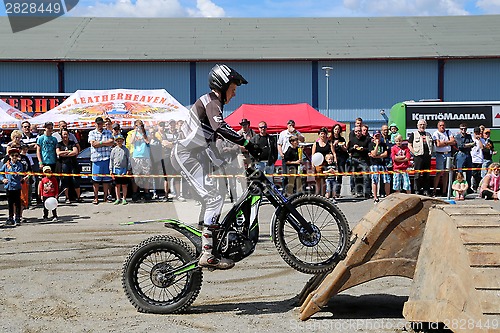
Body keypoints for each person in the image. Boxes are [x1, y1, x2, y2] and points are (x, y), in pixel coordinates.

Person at [171, 64, 260, 270]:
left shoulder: (213, 103)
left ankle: (207, 239)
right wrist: (247, 143)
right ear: (223, 84)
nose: (235, 93)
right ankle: (208, 254)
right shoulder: (212, 102)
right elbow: (221, 128)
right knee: (214, 197)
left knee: (216, 193)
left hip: (198, 154)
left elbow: (213, 142)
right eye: (233, 88)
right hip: (187, 155)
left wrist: (234, 166)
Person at [88, 116, 114, 205]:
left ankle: (105, 197)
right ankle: (96, 198)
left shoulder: (108, 132)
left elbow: (111, 142)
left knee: (106, 180)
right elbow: (93, 144)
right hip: (97, 159)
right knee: (96, 181)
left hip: (107, 158)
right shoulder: (92, 133)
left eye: (101, 123)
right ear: (95, 124)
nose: (100, 125)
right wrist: (104, 143)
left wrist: (100, 143)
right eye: (98, 124)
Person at [408, 119, 434, 196]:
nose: (422, 126)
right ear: (417, 126)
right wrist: (414, 153)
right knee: (417, 175)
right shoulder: (414, 134)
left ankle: (426, 190)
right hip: (418, 157)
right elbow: (409, 145)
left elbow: (432, 145)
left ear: (426, 125)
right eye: (420, 125)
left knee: (427, 174)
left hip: (427, 157)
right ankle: (417, 190)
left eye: (423, 124)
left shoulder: (428, 134)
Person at [278, 119, 305, 190]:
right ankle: (285, 191)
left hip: (295, 156)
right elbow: (279, 144)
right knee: (285, 176)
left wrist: (296, 132)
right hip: (286, 155)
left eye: (293, 125)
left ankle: (295, 190)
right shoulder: (283, 133)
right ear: (287, 126)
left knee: (296, 176)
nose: (291, 127)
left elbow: (302, 139)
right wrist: (281, 153)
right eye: (290, 125)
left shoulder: (296, 133)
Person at [129, 119, 152, 201]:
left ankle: (146, 193)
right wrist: (135, 131)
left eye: (141, 125)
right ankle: (135, 193)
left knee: (146, 176)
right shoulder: (132, 133)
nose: (139, 127)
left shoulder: (147, 133)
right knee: (136, 177)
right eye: (137, 125)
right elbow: (131, 142)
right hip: (136, 157)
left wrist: (142, 132)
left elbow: (148, 141)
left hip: (145, 156)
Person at [0, 148, 24, 227]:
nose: (14, 157)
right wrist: (3, 179)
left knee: (17, 203)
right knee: (10, 203)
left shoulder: (19, 165)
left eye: (16, 155)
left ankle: (17, 218)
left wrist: (13, 170)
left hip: (16, 186)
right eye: (12, 155)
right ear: (10, 156)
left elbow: (18, 174)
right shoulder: (6, 165)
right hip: (9, 187)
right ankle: (10, 217)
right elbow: (1, 173)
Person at [56, 128, 81, 203]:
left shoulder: (72, 143)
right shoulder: (59, 144)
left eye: (66, 134)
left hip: (73, 164)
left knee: (75, 180)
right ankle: (67, 197)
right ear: (61, 135)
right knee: (65, 180)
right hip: (64, 164)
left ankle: (78, 197)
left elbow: (75, 152)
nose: (65, 136)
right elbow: (58, 153)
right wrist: (68, 152)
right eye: (64, 134)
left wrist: (65, 153)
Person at [432, 120, 455, 196]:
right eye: (440, 125)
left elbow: (453, 141)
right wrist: (448, 142)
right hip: (440, 155)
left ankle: (444, 191)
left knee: (446, 173)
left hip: (448, 154)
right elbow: (438, 144)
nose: (442, 127)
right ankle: (434, 191)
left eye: (443, 125)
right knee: (438, 173)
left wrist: (444, 143)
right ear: (438, 126)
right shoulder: (436, 133)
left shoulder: (448, 132)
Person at [347, 126, 371, 198]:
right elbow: (349, 150)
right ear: (354, 132)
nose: (358, 133)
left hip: (363, 159)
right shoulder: (352, 140)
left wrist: (363, 149)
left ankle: (367, 192)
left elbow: (369, 149)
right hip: (355, 159)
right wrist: (353, 148)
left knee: (366, 176)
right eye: (356, 131)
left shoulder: (366, 139)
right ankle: (359, 192)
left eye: (359, 131)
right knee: (357, 176)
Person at [368, 130, 390, 203]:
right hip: (374, 164)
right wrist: (377, 145)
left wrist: (377, 156)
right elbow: (373, 153)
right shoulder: (371, 144)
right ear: (373, 136)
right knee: (375, 180)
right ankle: (375, 197)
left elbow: (386, 154)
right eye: (376, 136)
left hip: (382, 164)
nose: (377, 137)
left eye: (378, 135)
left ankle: (387, 195)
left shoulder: (383, 144)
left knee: (387, 180)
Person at [109, 134, 131, 205]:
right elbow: (111, 160)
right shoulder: (114, 150)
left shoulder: (126, 150)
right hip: (116, 169)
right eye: (118, 140)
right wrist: (111, 170)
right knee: (117, 185)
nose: (119, 142)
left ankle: (124, 198)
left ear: (123, 141)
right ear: (116, 141)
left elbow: (129, 159)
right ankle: (118, 198)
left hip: (124, 169)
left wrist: (128, 169)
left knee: (124, 185)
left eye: (120, 140)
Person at [454, 123, 475, 195]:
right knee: (460, 172)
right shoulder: (457, 136)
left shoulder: (469, 136)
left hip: (468, 154)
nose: (464, 130)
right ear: (460, 129)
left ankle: (468, 187)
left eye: (465, 129)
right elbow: (460, 146)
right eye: (462, 129)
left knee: (469, 171)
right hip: (461, 154)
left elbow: (473, 144)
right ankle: (459, 188)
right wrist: (469, 144)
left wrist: (468, 145)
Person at [311, 127, 332, 196]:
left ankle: (323, 194)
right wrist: (312, 164)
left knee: (324, 180)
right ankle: (317, 194)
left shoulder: (329, 143)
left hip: (326, 164)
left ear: (326, 135)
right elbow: (313, 154)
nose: (322, 135)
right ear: (319, 135)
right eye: (321, 134)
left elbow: (333, 153)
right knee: (318, 180)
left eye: (324, 134)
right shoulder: (315, 144)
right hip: (317, 164)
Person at [330, 124, 348, 198]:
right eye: (335, 129)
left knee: (340, 175)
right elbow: (330, 148)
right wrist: (334, 144)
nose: (337, 131)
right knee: (332, 174)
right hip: (333, 157)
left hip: (341, 157)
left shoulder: (342, 139)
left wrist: (343, 146)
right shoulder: (330, 139)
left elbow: (345, 149)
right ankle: (331, 192)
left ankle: (338, 192)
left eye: (338, 129)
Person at [471, 126, 484, 192]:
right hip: (472, 159)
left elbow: (482, 148)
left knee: (478, 173)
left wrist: (479, 140)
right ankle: (474, 186)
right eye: (475, 132)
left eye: (478, 132)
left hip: (479, 159)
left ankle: (477, 186)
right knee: (473, 173)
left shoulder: (482, 140)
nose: (476, 134)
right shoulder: (471, 139)